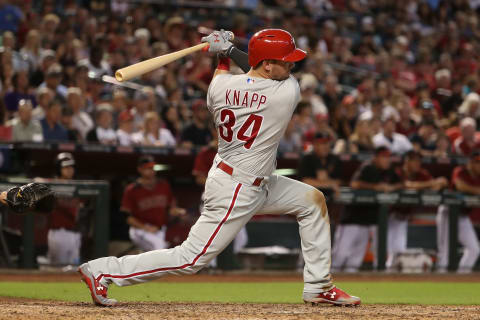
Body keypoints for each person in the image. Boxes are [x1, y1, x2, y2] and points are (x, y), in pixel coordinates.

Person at [78, 29, 360, 307]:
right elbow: (243, 65)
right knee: (189, 259)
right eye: (285, 60)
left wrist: (222, 55)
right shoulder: (285, 92)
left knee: (312, 202)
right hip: (237, 187)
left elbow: (225, 73)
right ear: (266, 64)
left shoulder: (219, 88)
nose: (291, 65)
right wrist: (226, 50)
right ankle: (103, 269)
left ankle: (319, 286)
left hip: (252, 179)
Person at [332, 147, 403, 273]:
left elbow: (402, 184)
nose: (387, 160)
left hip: (368, 221)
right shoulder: (368, 167)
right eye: (383, 157)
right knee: (340, 255)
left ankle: (347, 287)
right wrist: (375, 187)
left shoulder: (389, 171)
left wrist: (390, 187)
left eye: (388, 157)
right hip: (352, 218)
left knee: (355, 260)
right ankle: (325, 285)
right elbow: (354, 184)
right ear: (375, 158)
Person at [388, 151, 448, 270]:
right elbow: (407, 185)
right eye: (414, 160)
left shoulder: (421, 174)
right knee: (382, 250)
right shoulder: (397, 172)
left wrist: (436, 183)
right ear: (407, 161)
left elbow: (437, 185)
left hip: (402, 218)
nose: (418, 164)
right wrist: (430, 183)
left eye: (419, 161)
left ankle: (387, 278)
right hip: (387, 217)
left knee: (398, 251)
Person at [121, 155, 186, 252]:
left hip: (159, 230)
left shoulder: (163, 185)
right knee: (159, 247)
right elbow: (127, 217)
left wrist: (178, 211)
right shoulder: (132, 190)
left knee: (157, 252)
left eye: (152, 167)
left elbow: (170, 208)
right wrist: (145, 228)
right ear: (140, 169)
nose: (151, 170)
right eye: (147, 168)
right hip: (140, 230)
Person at [436, 151, 480, 273]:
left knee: (474, 249)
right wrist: (477, 191)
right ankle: (440, 280)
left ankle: (461, 276)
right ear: (470, 163)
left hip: (463, 216)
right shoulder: (460, 170)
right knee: (445, 250)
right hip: (448, 212)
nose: (478, 165)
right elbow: (461, 186)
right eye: (476, 162)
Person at [47, 153, 82, 265]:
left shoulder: (77, 186)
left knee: (75, 269)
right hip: (58, 232)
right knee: (58, 268)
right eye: (66, 167)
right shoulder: (51, 185)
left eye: (71, 167)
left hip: (74, 233)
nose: (70, 170)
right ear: (59, 169)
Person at [298, 132, 341, 197]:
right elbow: (305, 181)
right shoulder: (307, 158)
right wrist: (329, 184)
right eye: (322, 143)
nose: (325, 146)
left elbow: (338, 181)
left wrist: (324, 182)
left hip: (331, 195)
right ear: (315, 145)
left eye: (326, 143)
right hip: (309, 195)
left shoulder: (334, 158)